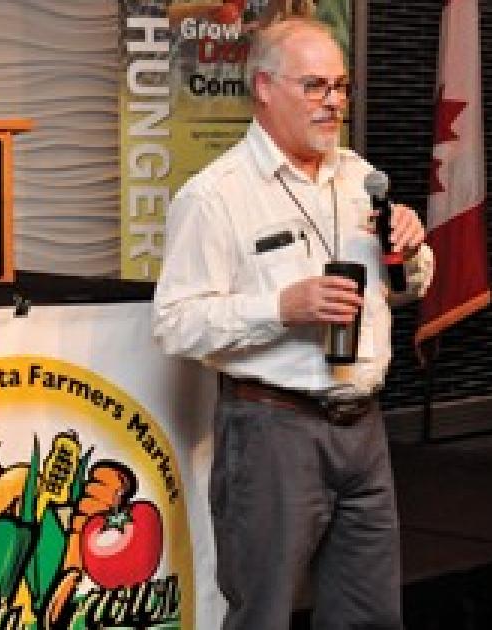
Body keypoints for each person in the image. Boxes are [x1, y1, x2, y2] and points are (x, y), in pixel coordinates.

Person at [153, 17, 433, 630]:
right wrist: (282, 308)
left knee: (371, 616)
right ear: (263, 88)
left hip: (363, 428)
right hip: (272, 430)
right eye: (314, 86)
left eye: (339, 86)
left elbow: (407, 289)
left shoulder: (361, 179)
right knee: (264, 616)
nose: (332, 101)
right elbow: (175, 322)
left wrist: (410, 254)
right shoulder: (215, 196)